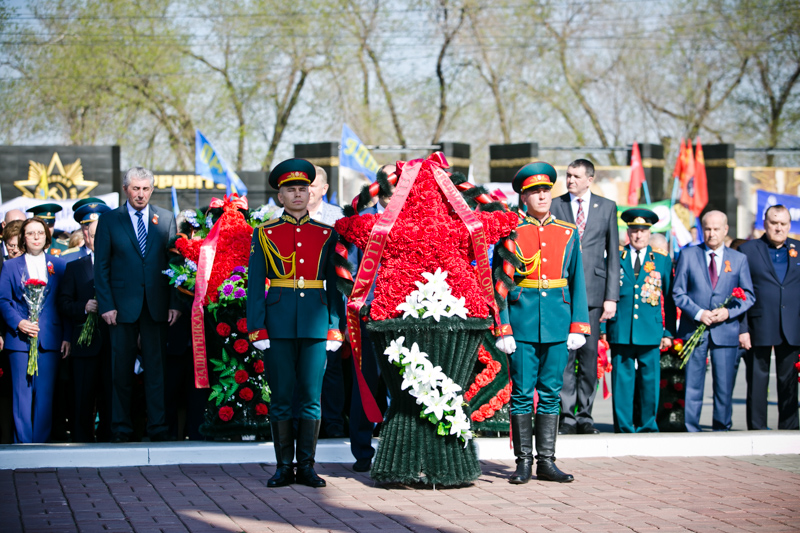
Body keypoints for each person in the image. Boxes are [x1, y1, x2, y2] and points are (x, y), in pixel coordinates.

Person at [246, 158, 344, 488]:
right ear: (280, 197)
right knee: (281, 398)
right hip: (278, 324)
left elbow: (335, 285)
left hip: (316, 326)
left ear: (311, 192)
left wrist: (334, 325)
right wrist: (257, 327)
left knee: (311, 397)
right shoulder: (264, 234)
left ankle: (307, 467)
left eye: (303, 188)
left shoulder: (328, 234)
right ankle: (283, 467)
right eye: (291, 190)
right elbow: (255, 285)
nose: (298, 195)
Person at [493, 161, 590, 484]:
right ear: (523, 196)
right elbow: (500, 284)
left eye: (546, 190)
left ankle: (546, 462)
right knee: (522, 393)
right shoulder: (510, 232)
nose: (542, 196)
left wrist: (579, 324)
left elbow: (577, 281)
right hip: (521, 323)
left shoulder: (568, 232)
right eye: (535, 191)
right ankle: (523, 463)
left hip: (558, 323)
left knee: (551, 393)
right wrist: (503, 326)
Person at [94, 166, 181, 443]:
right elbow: (102, 268)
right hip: (119, 309)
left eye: (145, 189)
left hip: (157, 307)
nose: (140, 194)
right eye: (135, 189)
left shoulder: (166, 219)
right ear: (125, 189)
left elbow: (175, 265)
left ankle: (157, 428)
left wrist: (175, 303)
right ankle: (120, 428)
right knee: (121, 372)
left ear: (152, 190)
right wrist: (106, 304)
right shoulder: (109, 220)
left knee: (157, 371)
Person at [550, 159, 619, 435]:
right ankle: (566, 416)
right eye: (567, 176)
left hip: (593, 294)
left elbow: (613, 255)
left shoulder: (607, 207)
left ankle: (585, 415)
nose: (570, 181)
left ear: (590, 179)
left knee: (589, 357)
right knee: (565, 356)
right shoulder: (556, 205)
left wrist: (611, 297)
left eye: (576, 176)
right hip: (563, 292)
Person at [672, 210, 754, 432]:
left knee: (724, 386)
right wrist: (698, 313)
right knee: (692, 384)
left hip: (725, 330)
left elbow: (748, 295)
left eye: (716, 229)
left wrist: (728, 313)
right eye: (707, 228)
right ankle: (691, 429)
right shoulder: (688, 255)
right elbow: (678, 292)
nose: (711, 234)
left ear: (726, 230)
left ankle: (721, 428)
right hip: (694, 329)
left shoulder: (739, 259)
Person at [0, 216, 69, 442]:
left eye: (40, 233)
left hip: (49, 339)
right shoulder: (11, 266)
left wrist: (67, 336)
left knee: (45, 397)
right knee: (22, 395)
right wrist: (19, 322)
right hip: (19, 340)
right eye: (30, 233)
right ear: (23, 238)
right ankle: (23, 445)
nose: (36, 237)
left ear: (46, 237)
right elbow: (3, 300)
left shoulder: (58, 266)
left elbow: (64, 303)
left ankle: (40, 445)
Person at [607, 209, 675, 433]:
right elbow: (604, 293)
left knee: (650, 381)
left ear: (649, 233)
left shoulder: (662, 260)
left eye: (643, 231)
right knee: (622, 381)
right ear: (628, 232)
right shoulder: (616, 257)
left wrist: (667, 332)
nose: (638, 236)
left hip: (650, 329)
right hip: (621, 327)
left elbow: (669, 298)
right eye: (634, 231)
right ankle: (624, 426)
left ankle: (648, 425)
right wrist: (602, 328)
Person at [348, 163, 395, 472]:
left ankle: (397, 447)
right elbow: (349, 268)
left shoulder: (416, 219)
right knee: (366, 383)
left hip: (406, 314)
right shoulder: (361, 222)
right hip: (368, 314)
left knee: (404, 384)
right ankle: (362, 452)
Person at [738, 205, 800, 430]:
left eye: (783, 223)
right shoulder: (748, 250)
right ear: (764, 224)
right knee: (757, 380)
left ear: (789, 225)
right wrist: (742, 329)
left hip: (792, 326)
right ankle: (757, 429)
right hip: (759, 325)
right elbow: (741, 292)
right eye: (774, 223)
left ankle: (790, 429)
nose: (778, 228)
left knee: (789, 381)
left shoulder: (798, 249)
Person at [57, 204, 112, 442]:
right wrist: (83, 307)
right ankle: (82, 443)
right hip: (84, 344)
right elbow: (63, 303)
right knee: (82, 399)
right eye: (90, 232)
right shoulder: (74, 266)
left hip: (111, 341)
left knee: (110, 398)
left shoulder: (117, 264)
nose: (94, 237)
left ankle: (110, 440)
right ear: (85, 234)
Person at [62, 198, 108, 262]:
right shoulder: (68, 258)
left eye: (97, 228)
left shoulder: (116, 256)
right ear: (82, 229)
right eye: (87, 228)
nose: (93, 233)